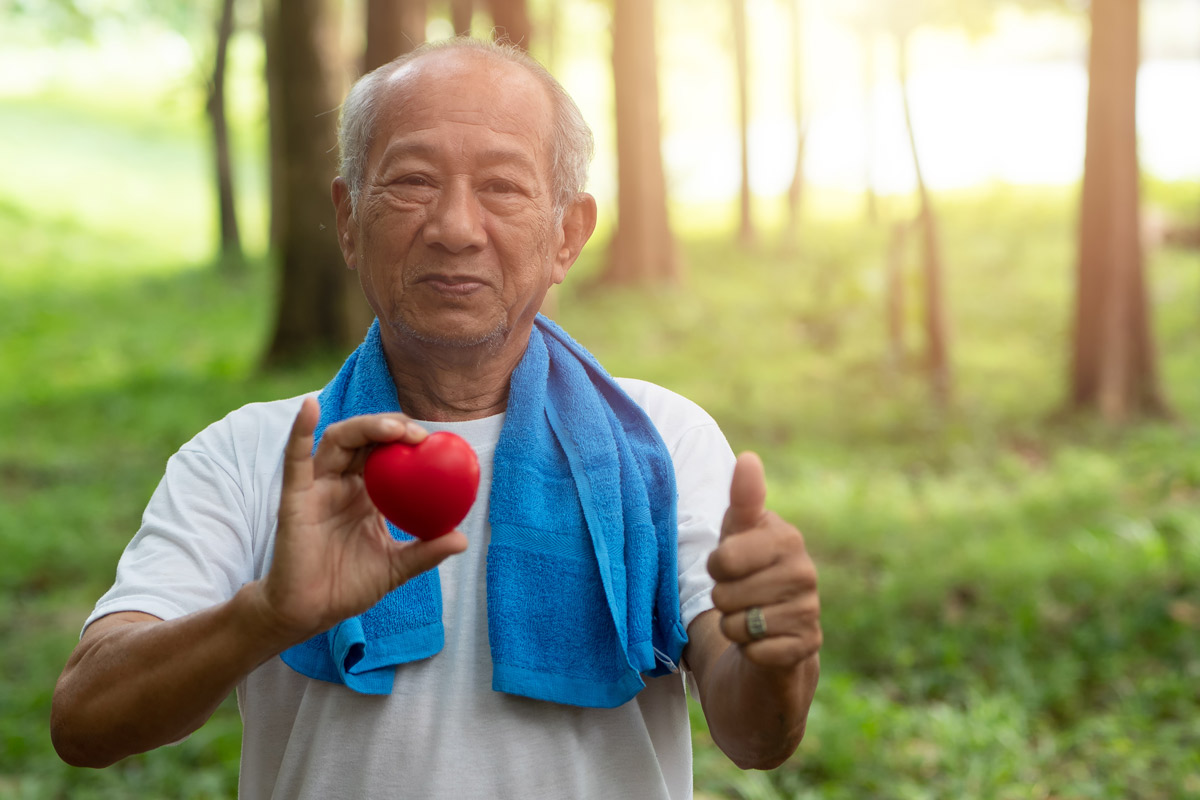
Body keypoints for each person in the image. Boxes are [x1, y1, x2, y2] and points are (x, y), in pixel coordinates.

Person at [51, 37, 821, 799]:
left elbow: (755, 734)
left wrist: (771, 651)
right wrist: (264, 615)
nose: (455, 226)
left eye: (503, 187)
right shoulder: (256, 455)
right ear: (349, 221)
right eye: (413, 181)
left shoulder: (660, 443)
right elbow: (85, 721)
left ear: (567, 233)